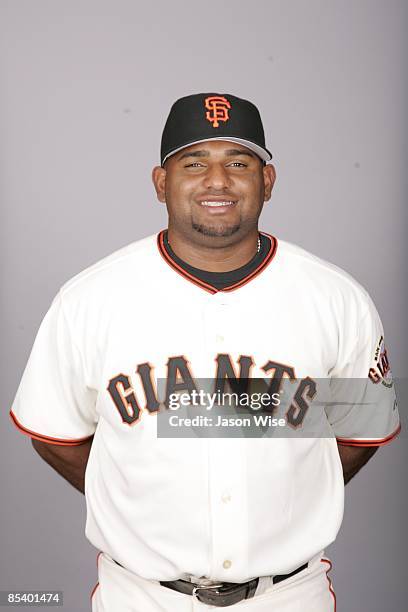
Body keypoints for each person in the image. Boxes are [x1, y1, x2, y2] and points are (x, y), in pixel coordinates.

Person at [10, 92, 400, 611]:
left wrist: (292, 495)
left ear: (267, 181)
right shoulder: (89, 299)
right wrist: (135, 503)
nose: (218, 181)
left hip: (288, 596)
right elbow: (56, 435)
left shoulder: (335, 297)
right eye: (194, 163)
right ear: (160, 183)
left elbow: (361, 431)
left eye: (239, 163)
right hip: (141, 597)